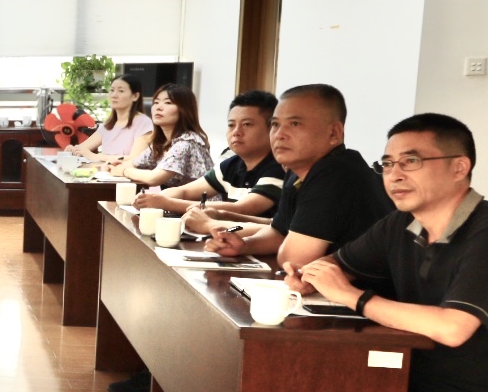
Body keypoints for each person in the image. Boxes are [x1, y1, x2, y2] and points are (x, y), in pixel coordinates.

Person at [284, 115, 488, 392]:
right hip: (411, 390)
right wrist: (308, 277)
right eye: (387, 163)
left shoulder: (483, 234)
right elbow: (335, 265)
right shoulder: (402, 224)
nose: (394, 175)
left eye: (410, 161)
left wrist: (354, 298)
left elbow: (454, 327)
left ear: (459, 167)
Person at [205, 83, 392, 271]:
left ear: (334, 133)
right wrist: (244, 245)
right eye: (275, 124)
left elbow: (294, 260)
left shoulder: (336, 172)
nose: (279, 135)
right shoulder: (298, 170)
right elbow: (278, 232)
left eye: (294, 124)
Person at [133, 91, 284, 230]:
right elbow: (184, 191)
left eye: (247, 124)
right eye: (231, 125)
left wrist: (165, 203)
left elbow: (243, 208)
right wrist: (153, 199)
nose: (236, 132)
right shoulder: (232, 164)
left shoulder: (279, 167)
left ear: (272, 129)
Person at [113, 84, 211, 188]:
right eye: (156, 102)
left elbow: (153, 179)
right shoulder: (161, 144)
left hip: (201, 199)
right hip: (174, 198)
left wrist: (125, 171)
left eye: (168, 103)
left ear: (184, 110)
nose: (158, 107)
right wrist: (114, 166)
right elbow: (134, 163)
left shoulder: (187, 142)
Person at [72, 74, 152, 163]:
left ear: (135, 96)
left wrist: (94, 156)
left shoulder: (144, 123)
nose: (114, 95)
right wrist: (73, 149)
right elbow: (83, 148)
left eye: (121, 91)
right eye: (112, 90)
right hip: (103, 170)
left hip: (125, 171)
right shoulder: (108, 124)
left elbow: (135, 158)